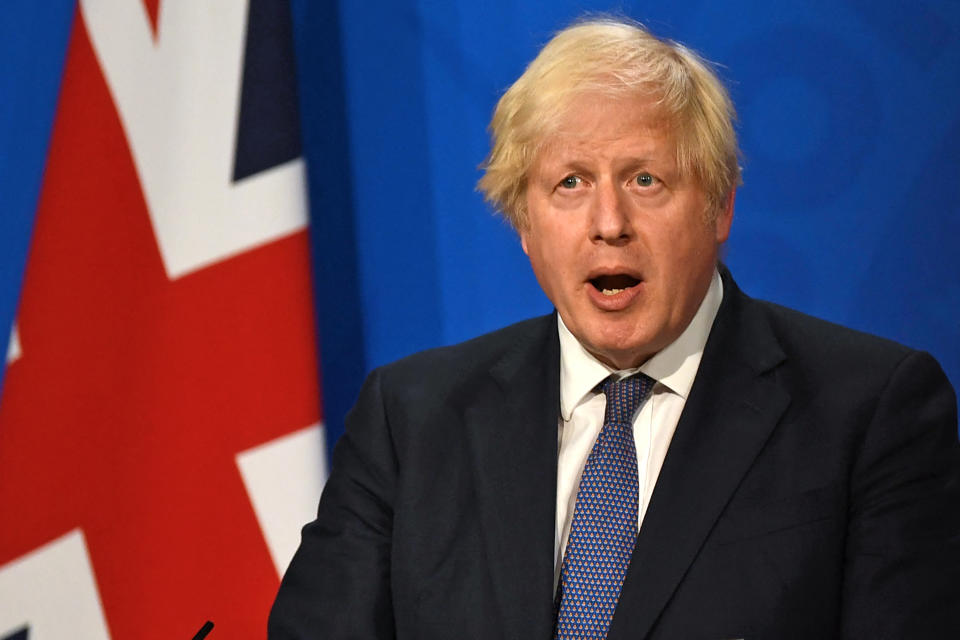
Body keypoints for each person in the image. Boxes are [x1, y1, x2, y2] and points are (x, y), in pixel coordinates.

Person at [269, 17, 960, 639]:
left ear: (720, 208)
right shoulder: (411, 421)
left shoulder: (870, 412)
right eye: (569, 183)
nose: (609, 224)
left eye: (645, 179)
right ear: (524, 225)